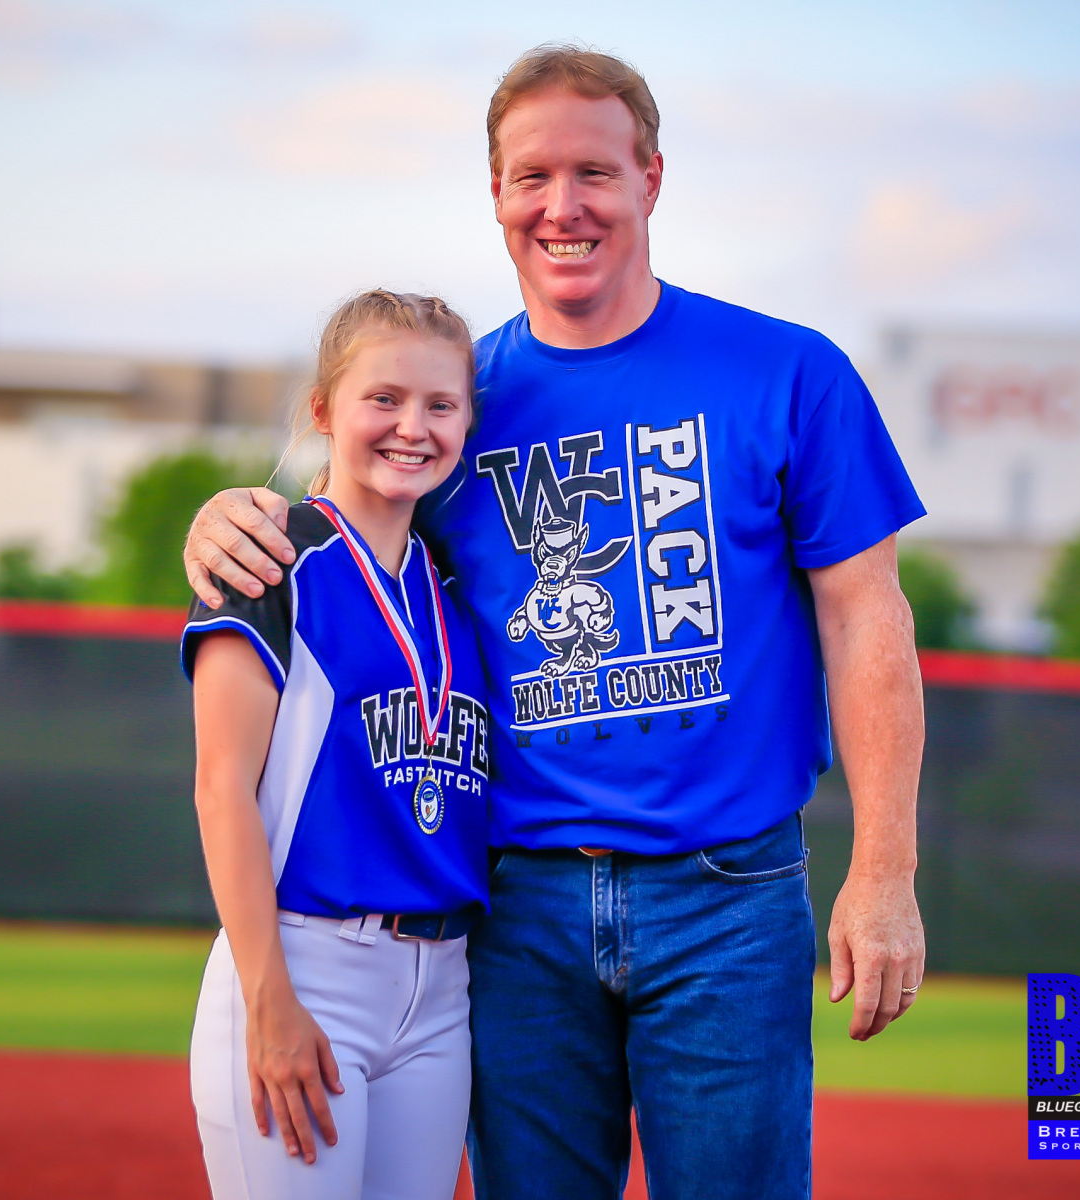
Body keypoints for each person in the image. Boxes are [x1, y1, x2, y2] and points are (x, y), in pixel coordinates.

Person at [184, 46, 927, 1200]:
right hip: (516, 904)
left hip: (726, 896)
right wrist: (225, 516)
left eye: (594, 172)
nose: (561, 206)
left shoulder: (786, 372)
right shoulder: (454, 399)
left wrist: (884, 869)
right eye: (531, 176)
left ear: (651, 179)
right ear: (495, 194)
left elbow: (867, 619)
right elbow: (327, 522)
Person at [183, 289, 490, 1200]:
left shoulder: (456, 588)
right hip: (304, 965)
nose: (413, 427)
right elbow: (220, 792)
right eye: (383, 398)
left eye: (440, 405)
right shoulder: (268, 561)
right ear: (322, 409)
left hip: (440, 992)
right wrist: (269, 1000)